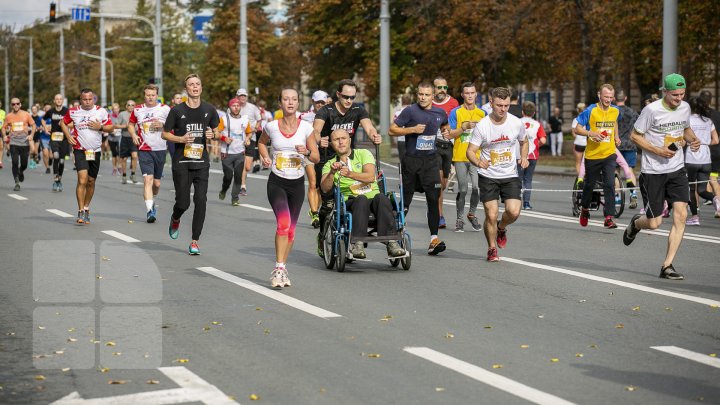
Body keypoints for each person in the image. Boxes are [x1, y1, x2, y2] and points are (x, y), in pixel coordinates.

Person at [622, 73, 701, 280]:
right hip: (653, 172)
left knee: (681, 215)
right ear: (665, 92)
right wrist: (658, 151)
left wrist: (693, 139)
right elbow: (635, 136)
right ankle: (636, 224)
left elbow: (685, 129)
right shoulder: (651, 110)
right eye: (675, 94)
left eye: (682, 94)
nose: (679, 98)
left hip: (677, 169)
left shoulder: (684, 108)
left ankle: (667, 265)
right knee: (654, 223)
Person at [258, 87, 319, 288]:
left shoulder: (306, 129)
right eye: (286, 99)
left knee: (291, 231)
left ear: (298, 103)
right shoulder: (271, 126)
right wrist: (265, 156)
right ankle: (279, 268)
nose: (290, 102)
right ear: (280, 103)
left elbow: (316, 157)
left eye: (294, 99)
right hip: (277, 181)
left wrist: (307, 151)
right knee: (283, 223)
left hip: (296, 184)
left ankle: (282, 267)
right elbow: (261, 143)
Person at [314, 79, 382, 255]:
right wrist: (317, 138)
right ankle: (323, 236)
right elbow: (316, 129)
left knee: (353, 195)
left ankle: (353, 235)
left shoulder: (358, 110)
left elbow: (368, 127)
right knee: (328, 204)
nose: (349, 101)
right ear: (338, 94)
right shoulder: (326, 110)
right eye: (346, 97)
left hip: (347, 156)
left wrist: (375, 135)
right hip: (327, 157)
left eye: (352, 97)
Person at [320, 128, 405, 259]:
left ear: (349, 140)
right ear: (331, 144)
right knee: (361, 199)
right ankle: (357, 243)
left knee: (382, 198)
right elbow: (325, 188)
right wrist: (332, 172)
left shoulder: (363, 154)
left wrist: (350, 174)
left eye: (343, 138)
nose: (341, 142)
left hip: (373, 198)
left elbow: (371, 177)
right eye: (336, 140)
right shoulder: (329, 164)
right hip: (350, 201)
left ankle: (392, 242)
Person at [466, 87, 528, 262]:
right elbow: (470, 151)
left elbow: (524, 142)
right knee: (491, 214)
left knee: (514, 212)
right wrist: (478, 162)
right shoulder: (483, 126)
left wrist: (523, 156)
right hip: (488, 175)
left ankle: (502, 227)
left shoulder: (516, 123)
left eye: (506, 105)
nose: (503, 109)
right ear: (491, 103)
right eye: (499, 105)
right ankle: (492, 248)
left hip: (510, 174)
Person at [389, 81, 449, 255]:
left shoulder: (439, 112)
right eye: (420, 94)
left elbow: (444, 124)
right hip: (411, 162)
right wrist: (412, 129)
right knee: (406, 201)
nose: (423, 98)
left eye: (426, 95)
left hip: (430, 162)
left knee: (433, 199)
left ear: (433, 96)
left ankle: (433, 240)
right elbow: (392, 130)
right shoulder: (410, 111)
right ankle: (395, 235)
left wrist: (446, 130)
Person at [162, 73, 220, 255]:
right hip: (181, 162)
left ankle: (195, 241)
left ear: (201, 88)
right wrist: (180, 138)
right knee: (183, 203)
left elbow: (217, 130)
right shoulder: (177, 111)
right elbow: (165, 134)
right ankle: (175, 217)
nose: (195, 87)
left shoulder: (209, 109)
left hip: (201, 163)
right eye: (191, 84)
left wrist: (213, 135)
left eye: (197, 84)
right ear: (186, 89)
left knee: (201, 200)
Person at [60, 89, 113, 224]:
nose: (88, 102)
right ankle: (80, 211)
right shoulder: (73, 111)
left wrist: (100, 127)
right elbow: (62, 123)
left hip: (95, 151)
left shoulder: (101, 111)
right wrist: (68, 136)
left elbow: (110, 127)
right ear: (81, 99)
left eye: (90, 99)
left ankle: (86, 207)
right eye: (85, 99)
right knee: (82, 180)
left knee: (91, 181)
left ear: (93, 99)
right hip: (80, 150)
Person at [575, 84, 621, 229]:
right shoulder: (591, 110)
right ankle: (585, 209)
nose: (608, 100)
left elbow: (614, 123)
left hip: (609, 153)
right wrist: (591, 133)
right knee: (589, 186)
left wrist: (616, 137)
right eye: (605, 97)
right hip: (593, 155)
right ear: (599, 95)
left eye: (611, 97)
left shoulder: (615, 110)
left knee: (609, 184)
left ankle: (608, 217)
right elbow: (577, 128)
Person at [128, 84, 171, 223]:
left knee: (156, 184)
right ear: (144, 95)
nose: (150, 98)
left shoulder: (165, 109)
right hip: (144, 149)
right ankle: (149, 210)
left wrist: (164, 126)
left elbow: (174, 125)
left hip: (160, 149)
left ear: (157, 95)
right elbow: (130, 124)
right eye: (148, 95)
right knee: (148, 180)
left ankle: (152, 199)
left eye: (153, 95)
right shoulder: (138, 109)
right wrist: (134, 135)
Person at [446, 82, 485, 231]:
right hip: (460, 157)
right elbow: (451, 133)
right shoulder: (456, 112)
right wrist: (463, 127)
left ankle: (472, 214)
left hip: (477, 157)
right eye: (467, 93)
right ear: (462, 95)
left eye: (472, 93)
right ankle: (459, 218)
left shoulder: (482, 114)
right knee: (463, 189)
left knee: (476, 188)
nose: (470, 95)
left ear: (476, 94)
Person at [685, 96, 718, 225]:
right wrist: (704, 143)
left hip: (691, 158)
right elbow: (716, 140)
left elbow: (683, 140)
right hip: (706, 159)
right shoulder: (708, 121)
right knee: (702, 190)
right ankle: (715, 198)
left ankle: (694, 217)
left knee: (692, 189)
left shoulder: (687, 121)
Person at [431, 76, 459, 229]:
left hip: (449, 146)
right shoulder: (429, 102)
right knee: (437, 181)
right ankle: (439, 215)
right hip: (434, 145)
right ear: (434, 89)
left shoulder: (453, 103)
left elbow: (457, 123)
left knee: (443, 184)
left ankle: (436, 207)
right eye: (439, 87)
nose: (442, 90)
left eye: (444, 87)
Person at [300, 90, 329, 227]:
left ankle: (321, 210)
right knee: (313, 183)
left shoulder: (329, 114)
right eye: (317, 102)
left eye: (322, 102)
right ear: (312, 102)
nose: (320, 104)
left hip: (324, 154)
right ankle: (315, 214)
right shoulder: (304, 116)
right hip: (309, 153)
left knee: (322, 186)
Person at [218, 97, 252, 206]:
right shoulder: (224, 119)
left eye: (238, 106)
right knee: (228, 176)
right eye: (234, 106)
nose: (236, 108)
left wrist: (247, 139)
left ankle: (235, 198)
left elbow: (249, 132)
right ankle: (224, 189)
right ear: (230, 107)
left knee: (238, 177)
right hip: (226, 152)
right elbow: (217, 133)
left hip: (240, 152)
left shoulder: (245, 120)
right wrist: (224, 139)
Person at [2, 98, 35, 191]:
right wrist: (4, 136)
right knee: (15, 162)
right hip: (13, 142)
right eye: (13, 104)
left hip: (24, 143)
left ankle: (21, 171)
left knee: (24, 164)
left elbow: (33, 125)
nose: (15, 105)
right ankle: (16, 182)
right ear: (11, 105)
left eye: (17, 104)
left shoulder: (26, 114)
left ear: (20, 104)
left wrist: (31, 135)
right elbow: (4, 127)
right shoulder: (9, 116)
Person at [518, 101, 547, 210]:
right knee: (528, 180)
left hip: (520, 155)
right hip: (533, 155)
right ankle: (526, 203)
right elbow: (543, 140)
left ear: (522, 112)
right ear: (534, 112)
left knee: (518, 179)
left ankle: (516, 202)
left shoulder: (517, 122)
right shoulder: (537, 124)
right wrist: (536, 145)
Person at [615, 89, 640, 208]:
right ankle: (633, 194)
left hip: (616, 145)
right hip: (630, 144)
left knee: (616, 172)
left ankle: (618, 198)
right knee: (630, 170)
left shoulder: (612, 112)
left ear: (615, 99)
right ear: (625, 98)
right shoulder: (633, 112)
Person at [236, 88, 262, 195]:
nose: (243, 98)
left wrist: (255, 128)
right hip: (238, 139)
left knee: (247, 166)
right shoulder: (233, 108)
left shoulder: (253, 108)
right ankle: (242, 186)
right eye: (241, 96)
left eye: (244, 96)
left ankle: (241, 182)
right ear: (237, 97)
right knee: (240, 164)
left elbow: (259, 120)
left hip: (251, 138)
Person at [698, 90, 720, 216]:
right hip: (716, 153)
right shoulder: (717, 115)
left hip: (700, 154)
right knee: (713, 178)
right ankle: (719, 207)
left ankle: (695, 210)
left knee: (695, 180)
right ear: (711, 100)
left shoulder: (697, 115)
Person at [47, 94, 70, 191]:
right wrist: (45, 128)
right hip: (54, 138)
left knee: (61, 161)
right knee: (55, 156)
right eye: (57, 99)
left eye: (60, 99)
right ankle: (55, 178)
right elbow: (43, 120)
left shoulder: (67, 111)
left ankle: (59, 179)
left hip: (64, 139)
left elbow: (73, 122)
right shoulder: (51, 111)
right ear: (54, 101)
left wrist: (67, 125)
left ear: (63, 101)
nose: (59, 100)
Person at [117, 100, 139, 184]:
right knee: (124, 158)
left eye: (133, 105)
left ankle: (133, 173)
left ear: (135, 106)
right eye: (129, 105)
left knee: (134, 156)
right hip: (125, 138)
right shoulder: (122, 114)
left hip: (134, 138)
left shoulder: (138, 114)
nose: (131, 107)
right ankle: (124, 175)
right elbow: (116, 125)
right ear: (126, 106)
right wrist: (125, 126)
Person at [393, 94, 412, 160]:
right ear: (410, 101)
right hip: (412, 139)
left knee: (402, 160)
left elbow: (394, 126)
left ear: (402, 101)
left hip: (401, 139)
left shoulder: (397, 113)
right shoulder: (414, 111)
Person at [571, 102, 587, 176]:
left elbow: (574, 134)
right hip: (587, 144)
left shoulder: (576, 120)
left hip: (578, 143)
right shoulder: (588, 118)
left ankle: (580, 179)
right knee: (587, 163)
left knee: (578, 163)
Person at [108, 103, 122, 176]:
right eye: (114, 109)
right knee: (114, 154)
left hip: (120, 137)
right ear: (112, 110)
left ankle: (119, 166)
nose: (116, 110)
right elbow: (107, 126)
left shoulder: (121, 116)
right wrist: (112, 131)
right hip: (112, 137)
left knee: (119, 153)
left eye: (117, 109)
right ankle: (114, 168)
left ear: (119, 109)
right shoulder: (110, 117)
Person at [0, 100, 5, 169]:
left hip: (0, 130)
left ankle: (0, 161)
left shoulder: (3, 112)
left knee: (1, 146)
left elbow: (5, 121)